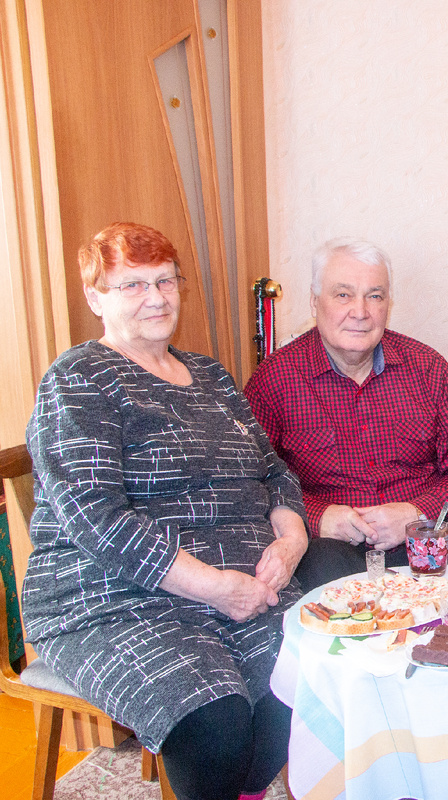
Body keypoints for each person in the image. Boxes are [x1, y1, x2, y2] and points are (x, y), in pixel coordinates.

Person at [23, 223, 306, 800]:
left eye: (164, 281)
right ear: (95, 298)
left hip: (244, 585)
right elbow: (95, 517)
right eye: (132, 286)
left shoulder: (212, 376)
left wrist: (291, 537)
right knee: (216, 719)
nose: (155, 298)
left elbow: (274, 470)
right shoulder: (80, 378)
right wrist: (214, 588)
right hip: (113, 596)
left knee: (310, 679)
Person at [244, 238, 448, 589]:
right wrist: (316, 517)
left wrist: (418, 512)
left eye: (375, 295)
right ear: (314, 301)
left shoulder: (427, 368)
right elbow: (250, 483)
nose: (360, 311)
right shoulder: (274, 380)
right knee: (318, 563)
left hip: (427, 540)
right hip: (337, 548)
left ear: (388, 304)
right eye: (343, 295)